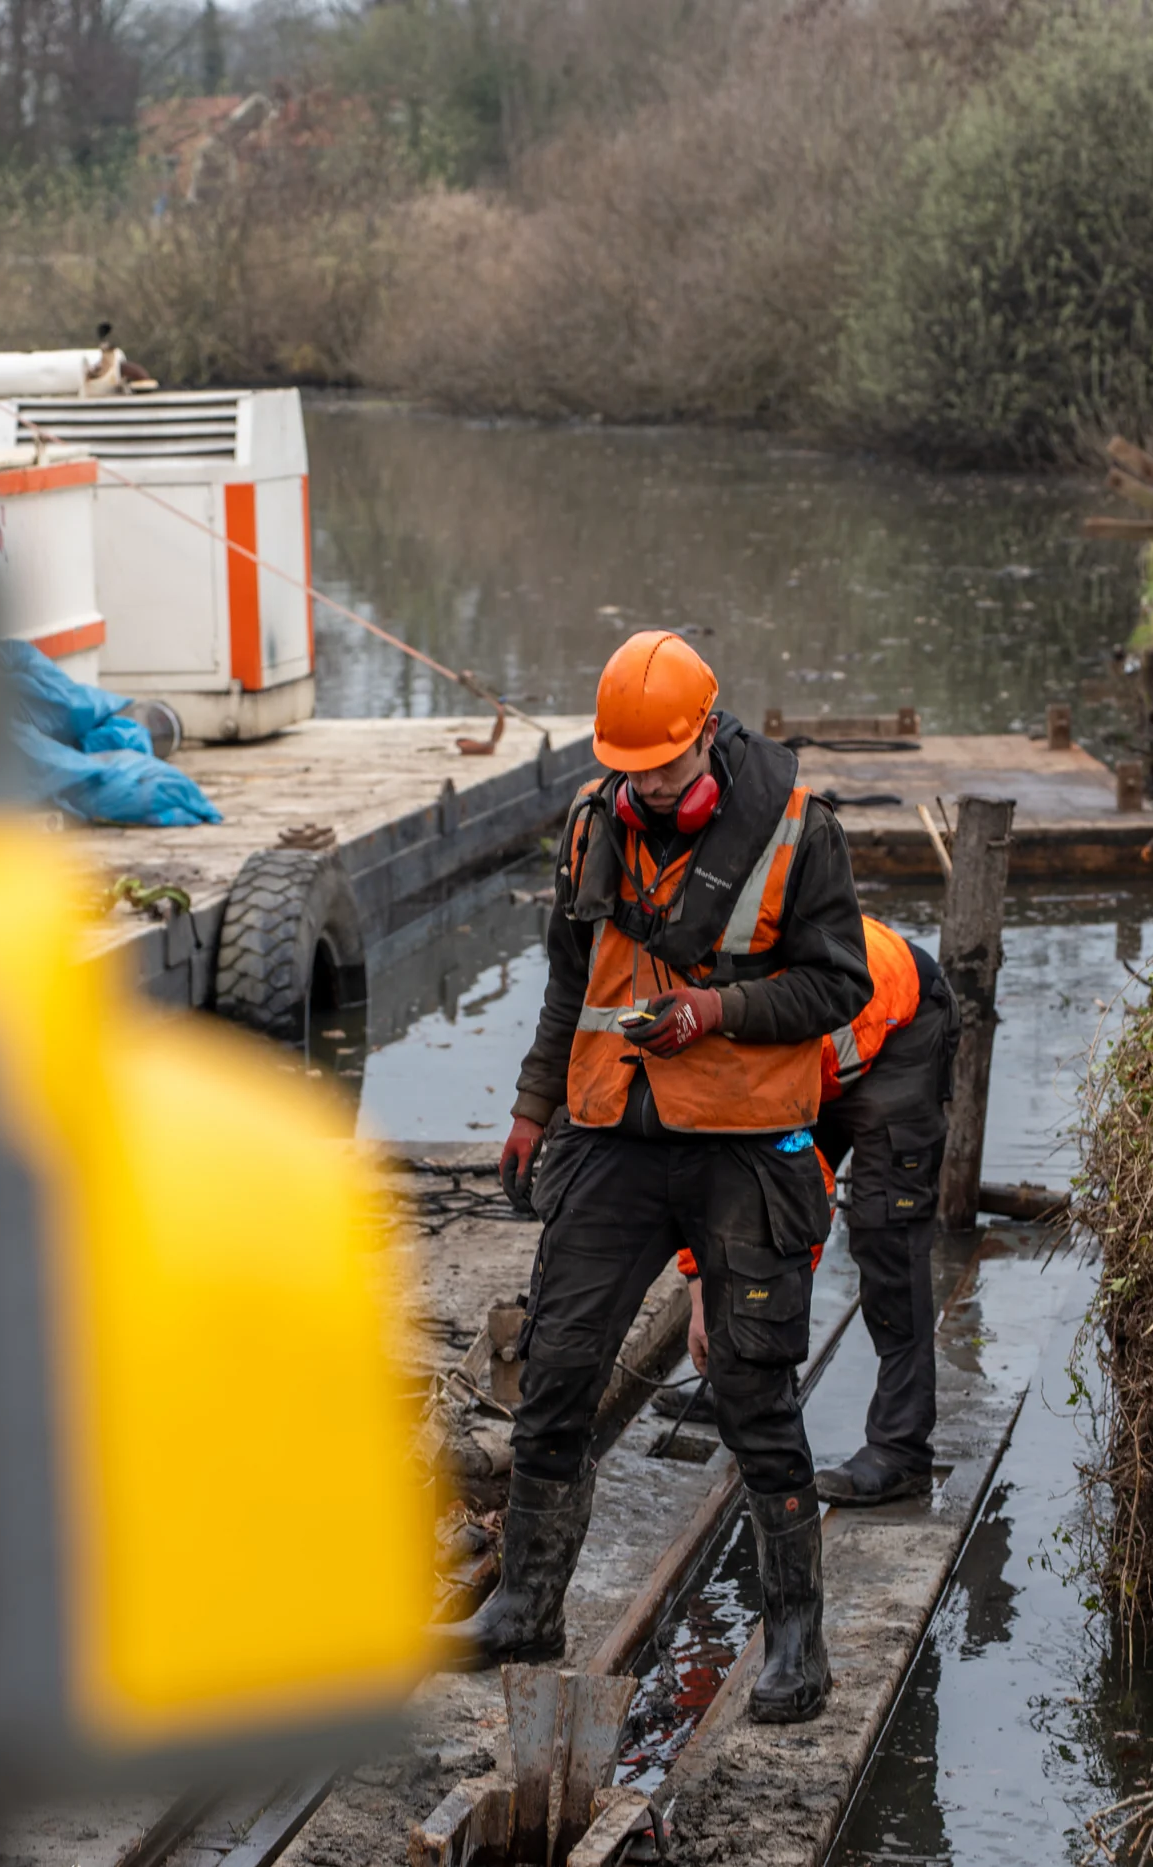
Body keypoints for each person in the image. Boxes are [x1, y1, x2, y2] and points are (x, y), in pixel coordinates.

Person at [448, 629, 870, 1725]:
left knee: (753, 1396)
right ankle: (523, 1610)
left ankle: (796, 1647)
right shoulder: (593, 823)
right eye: (628, 768)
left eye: (665, 769)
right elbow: (564, 983)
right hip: (611, 1141)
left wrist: (714, 1010)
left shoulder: (797, 831)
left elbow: (836, 985)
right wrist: (533, 1109)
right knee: (555, 1377)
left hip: (742, 1148)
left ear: (709, 735)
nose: (646, 786)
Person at [802, 915, 956, 1506]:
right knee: (765, 1216)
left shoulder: (803, 999)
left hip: (900, 1032)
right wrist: (698, 1286)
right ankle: (753, 1381)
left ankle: (901, 1450)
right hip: (820, 1052)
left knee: (886, 1229)